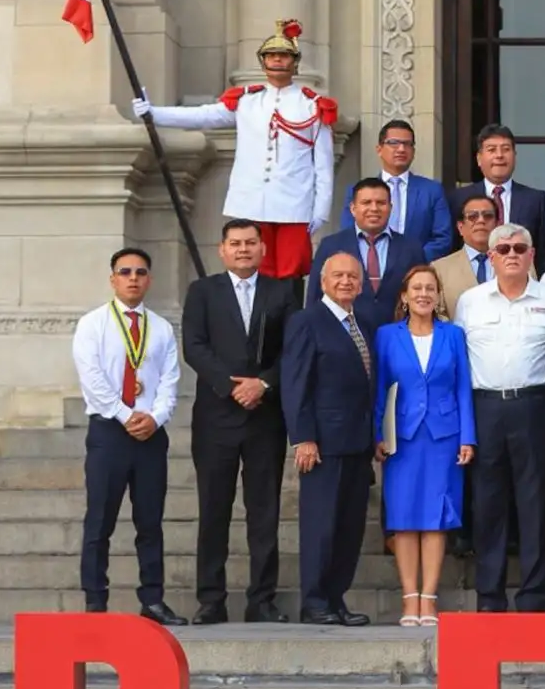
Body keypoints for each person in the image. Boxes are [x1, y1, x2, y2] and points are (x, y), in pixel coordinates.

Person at [132, 19, 335, 282]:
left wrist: (320, 210)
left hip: (294, 205)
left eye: (283, 55)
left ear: (294, 61)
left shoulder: (312, 106)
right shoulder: (247, 101)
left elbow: (323, 165)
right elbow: (203, 116)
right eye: (271, 55)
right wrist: (154, 113)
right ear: (262, 61)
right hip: (251, 202)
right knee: (251, 273)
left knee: (290, 276)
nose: (277, 60)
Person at [180, 219, 296, 625]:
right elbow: (194, 346)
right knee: (214, 510)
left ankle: (261, 600)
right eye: (235, 243)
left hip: (265, 417)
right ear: (222, 249)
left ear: (263, 249)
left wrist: (263, 383)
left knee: (264, 512)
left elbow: (292, 349)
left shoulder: (282, 292)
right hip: (216, 417)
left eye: (250, 243)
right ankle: (211, 600)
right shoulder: (202, 292)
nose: (243, 249)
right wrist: (231, 387)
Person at [455, 222, 545, 613]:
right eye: (503, 250)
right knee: (488, 504)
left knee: (534, 503)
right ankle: (490, 596)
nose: (512, 255)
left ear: (532, 254)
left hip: (535, 406)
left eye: (520, 248)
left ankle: (533, 595)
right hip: (484, 407)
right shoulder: (471, 301)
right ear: (491, 257)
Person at [72, 247, 185, 624]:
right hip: (109, 431)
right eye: (125, 272)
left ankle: (152, 599)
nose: (133, 278)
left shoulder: (161, 328)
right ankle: (95, 600)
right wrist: (125, 414)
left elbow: (170, 381)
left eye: (140, 272)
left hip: (151, 433)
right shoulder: (93, 324)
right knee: (100, 520)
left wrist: (155, 417)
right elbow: (92, 378)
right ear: (113, 279)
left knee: (150, 521)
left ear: (149, 279)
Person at [373, 265, 475, 628]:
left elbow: (463, 387)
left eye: (430, 288)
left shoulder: (453, 335)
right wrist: (377, 435)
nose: (423, 294)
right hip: (401, 437)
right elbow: (379, 388)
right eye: (416, 288)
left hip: (443, 437)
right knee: (403, 518)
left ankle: (429, 599)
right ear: (404, 295)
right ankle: (409, 598)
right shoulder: (387, 336)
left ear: (438, 295)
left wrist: (467, 436)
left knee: (436, 518)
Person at [281, 252, 378, 627]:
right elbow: (296, 383)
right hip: (323, 445)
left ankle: (336, 599)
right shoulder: (307, 321)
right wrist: (303, 438)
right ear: (322, 282)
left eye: (353, 276)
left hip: (358, 443)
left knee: (349, 528)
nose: (346, 281)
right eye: (338, 275)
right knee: (321, 526)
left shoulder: (363, 323)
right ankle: (315, 602)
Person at [307, 178, 428, 342]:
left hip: (400, 339)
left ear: (390, 208)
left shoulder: (411, 248)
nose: (374, 208)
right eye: (366, 203)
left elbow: (422, 293)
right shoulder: (331, 245)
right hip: (343, 339)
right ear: (353, 208)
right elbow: (315, 297)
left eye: (381, 203)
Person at [340, 118, 453, 262]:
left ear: (413, 151)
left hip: (416, 269)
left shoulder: (432, 190)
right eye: (393, 143)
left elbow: (442, 238)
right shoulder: (358, 191)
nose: (401, 149)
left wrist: (412, 260)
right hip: (370, 268)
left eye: (407, 144)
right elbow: (348, 234)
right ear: (379, 149)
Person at [451, 124, 545, 273]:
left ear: (514, 156)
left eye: (506, 149)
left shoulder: (535, 200)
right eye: (491, 150)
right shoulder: (459, 198)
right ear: (479, 159)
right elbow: (453, 246)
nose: (499, 155)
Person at [430, 192, 503, 315]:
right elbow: (437, 315)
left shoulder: (519, 262)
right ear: (460, 227)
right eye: (473, 216)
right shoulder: (440, 269)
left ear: (497, 225)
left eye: (488, 216)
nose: (481, 220)